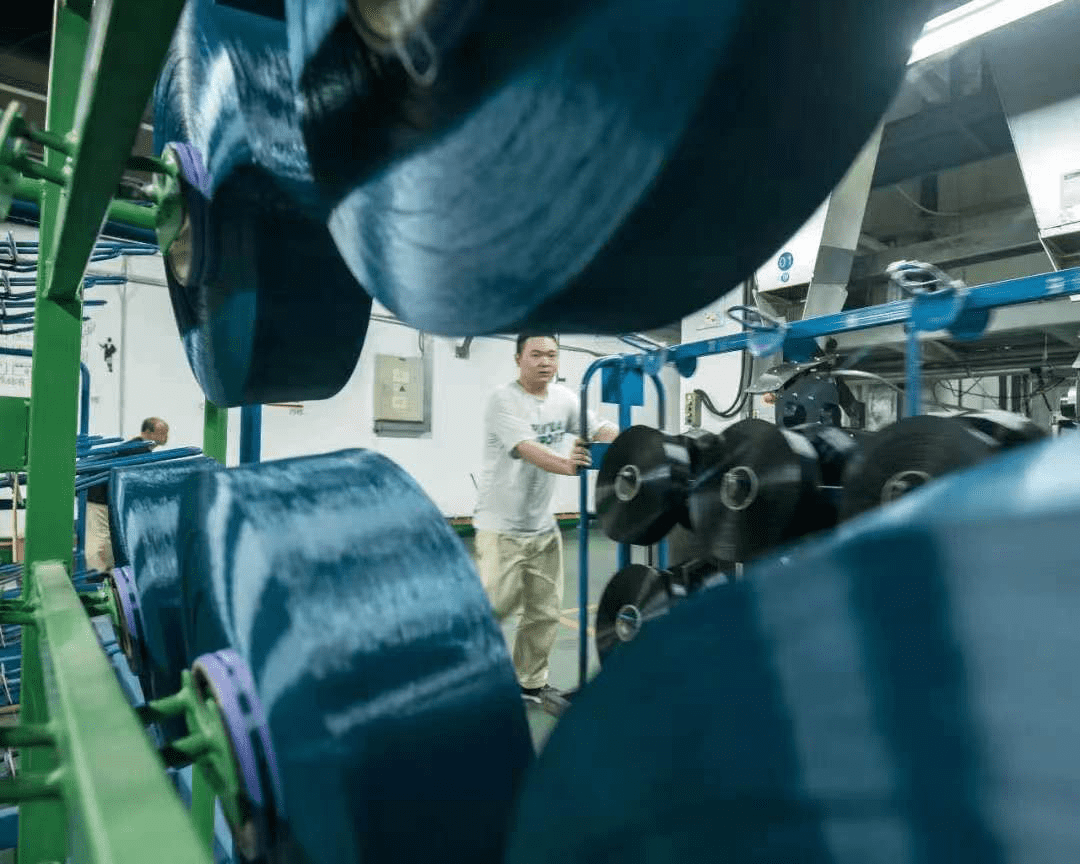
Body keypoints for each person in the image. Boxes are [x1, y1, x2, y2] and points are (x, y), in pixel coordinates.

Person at [473, 334, 617, 703]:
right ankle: (463, 681)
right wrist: (567, 464)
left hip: (541, 526)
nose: (545, 362)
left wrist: (626, 441)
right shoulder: (503, 400)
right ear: (518, 358)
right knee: (493, 610)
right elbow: (526, 448)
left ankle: (530, 682)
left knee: (544, 612)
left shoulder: (563, 399)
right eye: (536, 355)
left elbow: (598, 429)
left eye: (551, 355)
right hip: (500, 527)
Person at [85, 417, 169, 573]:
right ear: (148, 432)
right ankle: (95, 575)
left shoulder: (138, 448)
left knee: (106, 539)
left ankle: (104, 573)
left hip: (106, 496)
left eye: (166, 433)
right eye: (162, 433)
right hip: (98, 496)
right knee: (99, 539)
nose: (165, 437)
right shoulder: (137, 450)